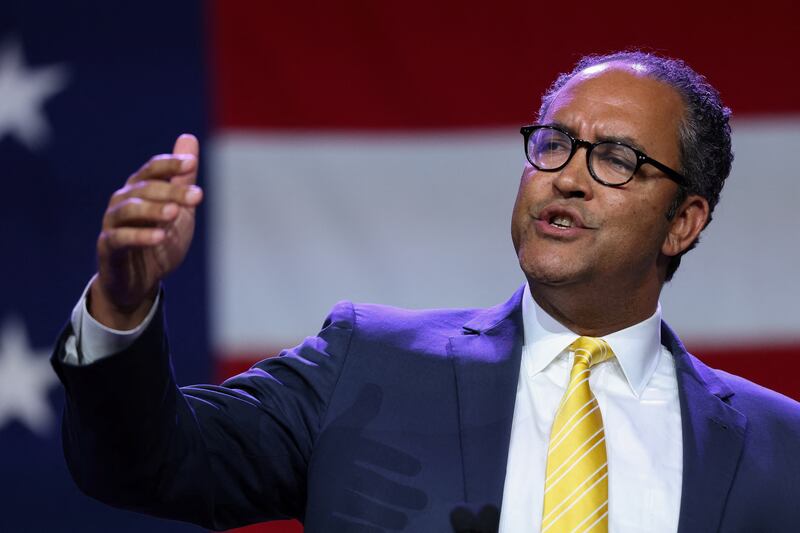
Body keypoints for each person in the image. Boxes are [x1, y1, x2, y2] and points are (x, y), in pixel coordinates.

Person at [52, 51, 800, 532]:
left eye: (614, 158)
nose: (567, 175)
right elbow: (147, 461)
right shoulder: (368, 364)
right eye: (553, 143)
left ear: (684, 221)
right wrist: (122, 304)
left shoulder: (779, 449)